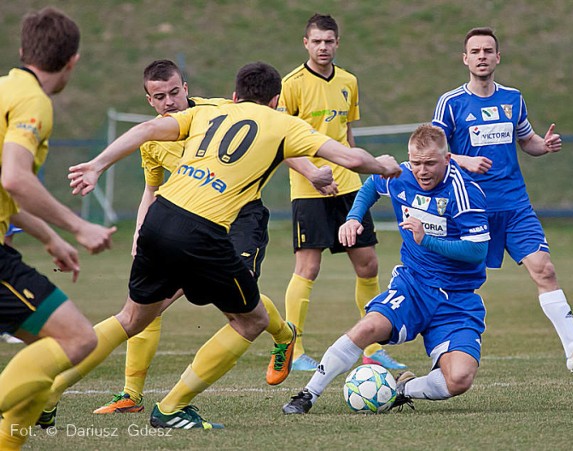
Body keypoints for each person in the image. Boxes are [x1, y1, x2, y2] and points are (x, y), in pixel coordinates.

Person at [46, 61, 401, 430]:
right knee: (251, 321)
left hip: (162, 217)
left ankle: (50, 391)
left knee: (130, 318)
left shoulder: (209, 114)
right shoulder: (284, 123)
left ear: (234, 96)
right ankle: (171, 407)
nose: (168, 101)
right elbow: (352, 157)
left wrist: (97, 165)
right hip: (203, 231)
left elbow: (148, 128)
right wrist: (384, 165)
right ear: (276, 100)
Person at [90, 59, 335, 415]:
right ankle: (131, 394)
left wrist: (312, 171)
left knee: (240, 303)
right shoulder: (153, 139)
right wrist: (142, 234)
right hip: (185, 226)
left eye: (175, 92)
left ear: (186, 87)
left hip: (240, 219)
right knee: (150, 305)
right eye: (160, 96)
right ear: (149, 100)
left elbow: (275, 138)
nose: (169, 101)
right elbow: (151, 190)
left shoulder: (218, 110)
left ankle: (283, 335)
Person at [431, 27, 573, 372]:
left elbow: (526, 140)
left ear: (498, 57)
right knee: (451, 283)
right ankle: (442, 355)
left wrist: (543, 146)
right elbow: (432, 151)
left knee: (544, 269)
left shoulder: (513, 98)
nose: (482, 56)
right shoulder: (451, 102)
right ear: (465, 59)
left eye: (488, 50)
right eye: (475, 51)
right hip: (470, 209)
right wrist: (464, 160)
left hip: (515, 206)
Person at [283, 123, 490, 414]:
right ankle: (308, 394)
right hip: (414, 285)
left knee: (458, 379)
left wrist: (426, 239)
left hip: (457, 298)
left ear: (447, 159)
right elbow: (371, 186)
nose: (422, 170)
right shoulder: (401, 175)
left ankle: (401, 389)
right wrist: (354, 217)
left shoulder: (465, 193)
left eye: (430, 163)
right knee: (368, 326)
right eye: (416, 163)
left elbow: (477, 250)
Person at [0, 7, 116, 449]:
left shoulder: (4, 88)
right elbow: (14, 177)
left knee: (43, 353)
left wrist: (50, 238)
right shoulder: (32, 100)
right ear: (73, 61)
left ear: (22, 49)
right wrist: (77, 226)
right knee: (78, 339)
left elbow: (2, 190)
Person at [278, 13, 406, 371]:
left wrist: (361, 172)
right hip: (309, 187)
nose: (323, 47)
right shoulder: (291, 84)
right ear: (306, 43)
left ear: (337, 43)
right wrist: (313, 173)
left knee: (368, 264)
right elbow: (283, 144)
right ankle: (295, 349)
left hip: (348, 187)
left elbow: (347, 136)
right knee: (308, 266)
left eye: (329, 41)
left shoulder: (349, 81)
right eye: (316, 41)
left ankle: (373, 346)